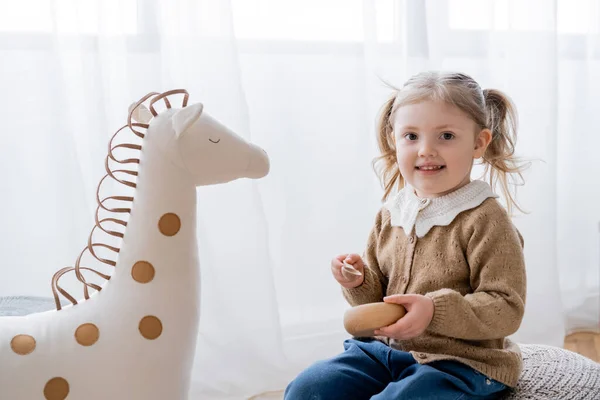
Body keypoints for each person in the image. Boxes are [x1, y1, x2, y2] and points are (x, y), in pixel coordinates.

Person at [284, 71, 528, 400]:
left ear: (479, 143)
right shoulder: (392, 213)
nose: (426, 150)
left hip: (460, 364)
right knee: (309, 388)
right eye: (411, 136)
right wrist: (358, 283)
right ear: (393, 140)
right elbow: (378, 301)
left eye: (446, 136)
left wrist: (433, 311)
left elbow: (506, 307)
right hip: (384, 353)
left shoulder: (485, 218)